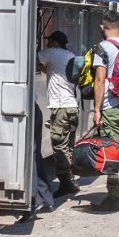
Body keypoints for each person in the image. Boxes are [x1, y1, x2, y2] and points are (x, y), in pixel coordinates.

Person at [91, 10, 119, 211]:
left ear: (102, 26)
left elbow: (99, 80)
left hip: (111, 106)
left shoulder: (103, 48)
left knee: (113, 151)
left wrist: (96, 109)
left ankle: (114, 196)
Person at [37, 31, 80, 196]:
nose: (47, 43)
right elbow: (54, 72)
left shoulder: (52, 53)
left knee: (58, 146)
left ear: (55, 42)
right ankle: (70, 179)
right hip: (72, 106)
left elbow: (32, 58)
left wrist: (41, 66)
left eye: (50, 41)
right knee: (68, 146)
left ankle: (66, 184)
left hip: (61, 106)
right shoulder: (70, 55)